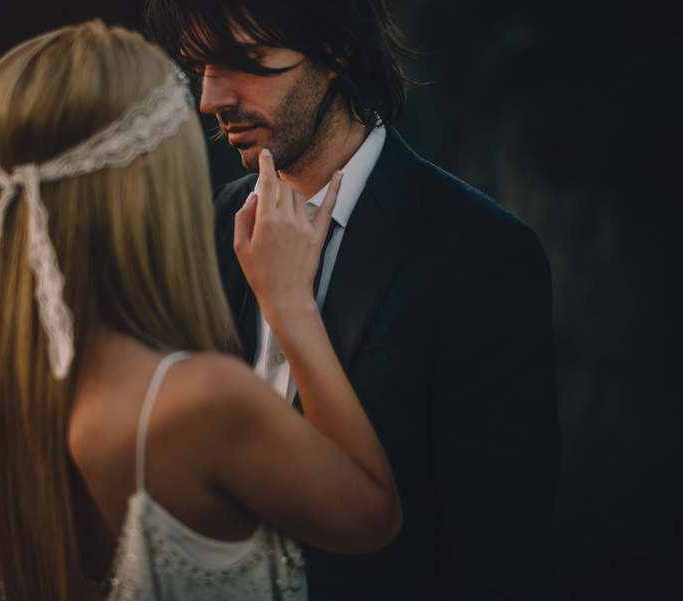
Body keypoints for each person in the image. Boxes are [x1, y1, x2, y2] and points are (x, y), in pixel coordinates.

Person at [0, 20, 402, 601]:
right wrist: (290, 304)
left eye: (243, 60)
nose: (209, 101)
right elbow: (373, 515)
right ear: (143, 179)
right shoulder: (203, 399)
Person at [146, 0, 563, 599]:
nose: (210, 98)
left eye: (246, 61)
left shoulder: (481, 255)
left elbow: (503, 558)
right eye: (199, 66)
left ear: (335, 49)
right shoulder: (206, 226)